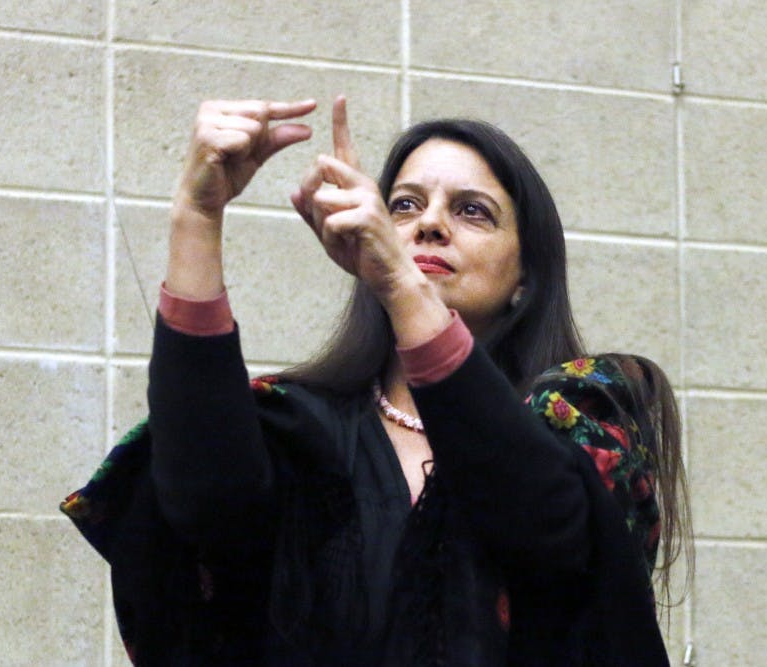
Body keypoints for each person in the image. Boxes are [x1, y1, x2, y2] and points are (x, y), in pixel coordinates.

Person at [62, 95, 691, 666]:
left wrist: (400, 284)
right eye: (405, 206)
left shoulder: (586, 409)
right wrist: (198, 215)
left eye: (473, 211)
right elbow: (202, 504)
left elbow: (548, 532)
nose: (430, 224)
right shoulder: (296, 427)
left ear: (526, 275)